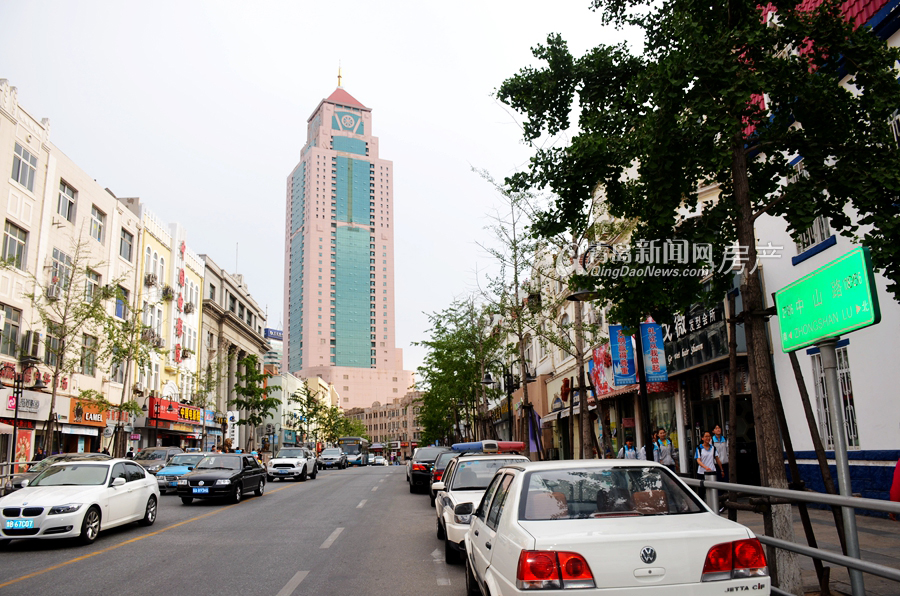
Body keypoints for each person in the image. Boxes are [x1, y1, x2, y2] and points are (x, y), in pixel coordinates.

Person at [695, 431, 723, 503]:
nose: (708, 438)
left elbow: (717, 459)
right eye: (706, 436)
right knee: (702, 491)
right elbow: (698, 460)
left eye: (709, 436)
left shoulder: (713, 448)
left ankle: (714, 504)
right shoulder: (699, 448)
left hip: (712, 472)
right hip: (702, 472)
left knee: (713, 490)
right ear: (702, 438)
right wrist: (705, 467)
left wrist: (721, 470)